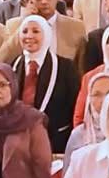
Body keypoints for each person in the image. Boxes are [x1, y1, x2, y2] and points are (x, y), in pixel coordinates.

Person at [8, 14, 77, 153]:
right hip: (18, 142)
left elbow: (73, 104)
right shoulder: (14, 64)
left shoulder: (65, 67)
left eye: (35, 31)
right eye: (24, 31)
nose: (29, 36)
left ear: (46, 35)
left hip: (54, 141)